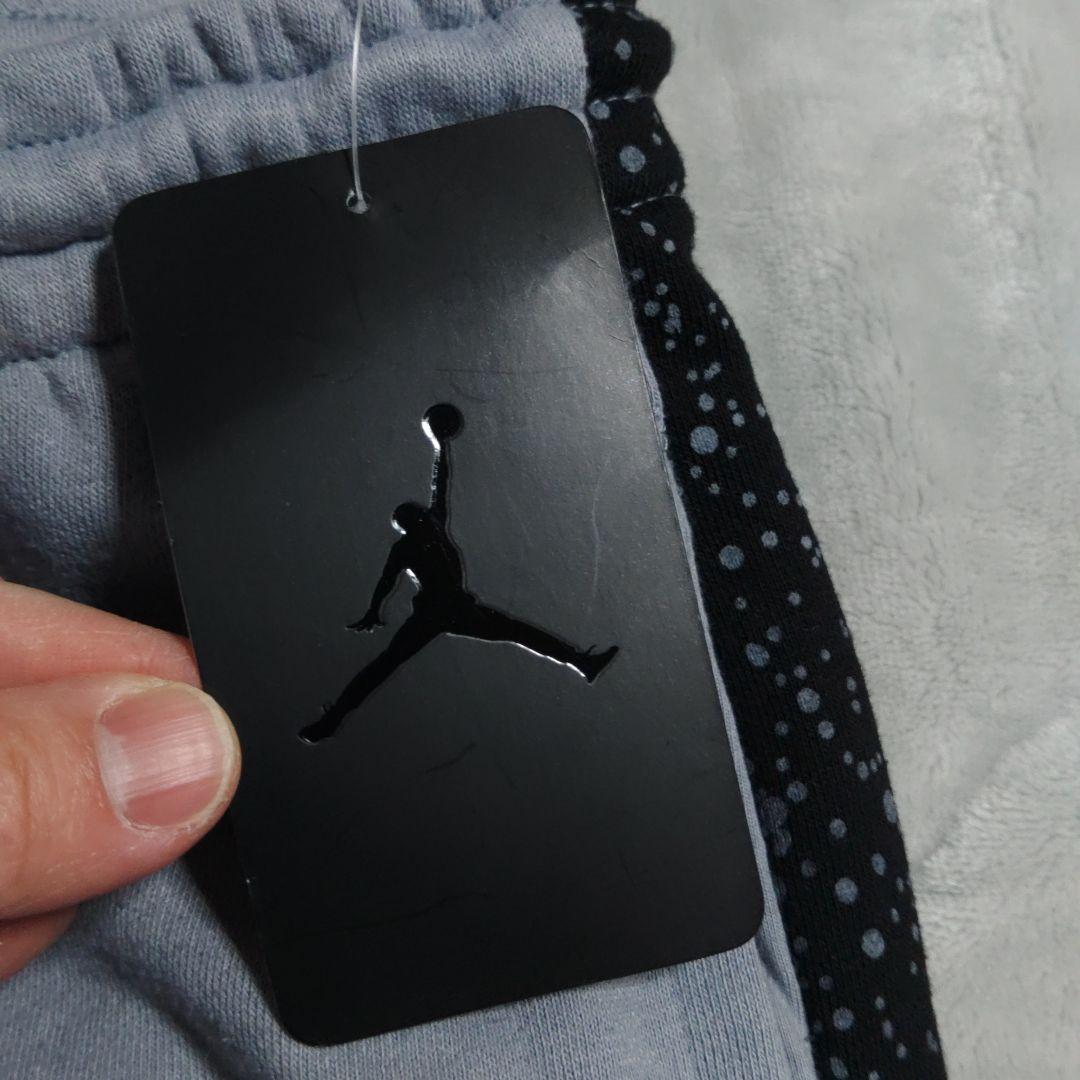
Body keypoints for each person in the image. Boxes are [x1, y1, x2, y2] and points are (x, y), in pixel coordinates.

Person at [299, 404, 617, 743]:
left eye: (417, 512)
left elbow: (440, 482)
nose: (419, 514)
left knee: (512, 632)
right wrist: (374, 609)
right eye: (412, 516)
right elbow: (386, 580)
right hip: (434, 611)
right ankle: (332, 719)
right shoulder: (407, 546)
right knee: (388, 663)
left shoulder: (434, 524)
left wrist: (440, 446)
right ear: (407, 524)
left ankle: (581, 663)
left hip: (456, 607)